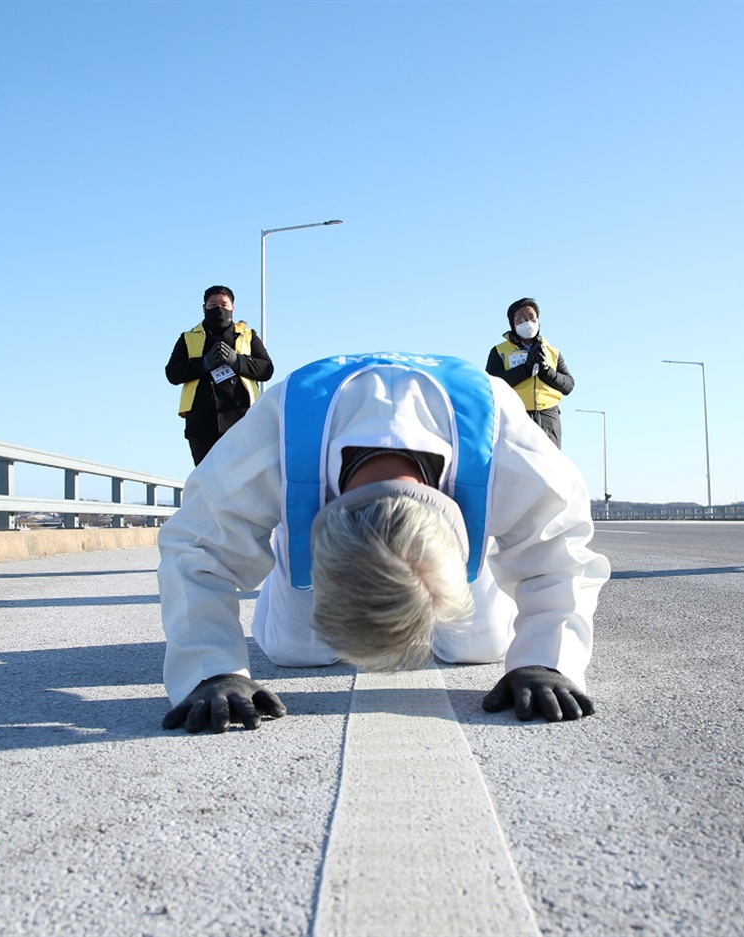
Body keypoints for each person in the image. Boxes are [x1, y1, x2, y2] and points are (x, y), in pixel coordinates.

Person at [157, 351, 610, 734]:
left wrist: (546, 659)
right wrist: (211, 669)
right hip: (312, 536)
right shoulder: (276, 430)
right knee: (297, 652)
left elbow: (561, 547)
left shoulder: (500, 432)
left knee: (481, 647)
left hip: (456, 512)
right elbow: (196, 548)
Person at [165, 286, 274, 465]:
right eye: (213, 304)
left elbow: (266, 369)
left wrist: (237, 361)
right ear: (204, 308)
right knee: (207, 480)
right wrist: (204, 363)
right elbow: (172, 373)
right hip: (201, 422)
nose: (219, 309)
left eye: (224, 304)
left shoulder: (247, 335)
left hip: (243, 420)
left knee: (241, 477)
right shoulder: (188, 338)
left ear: (233, 308)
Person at [485, 297, 574, 448]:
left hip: (548, 416)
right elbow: (491, 384)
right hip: (514, 414)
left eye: (531, 317)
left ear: (538, 320)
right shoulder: (500, 351)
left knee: (548, 464)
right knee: (516, 463)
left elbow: (568, 385)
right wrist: (525, 369)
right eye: (520, 318)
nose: (527, 321)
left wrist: (545, 371)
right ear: (512, 324)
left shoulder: (552, 352)